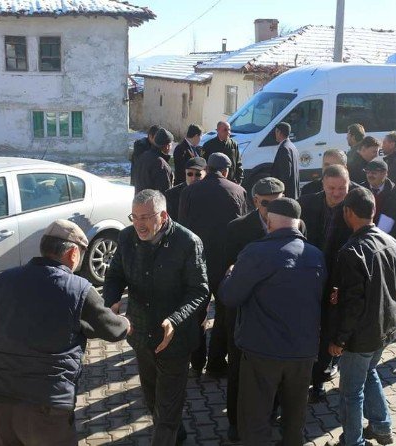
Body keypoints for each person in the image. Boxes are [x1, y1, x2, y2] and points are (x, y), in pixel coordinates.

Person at [0, 219, 130, 446]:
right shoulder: (79, 289)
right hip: (47, 407)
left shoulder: (2, 281)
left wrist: (7, 371)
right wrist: (126, 322)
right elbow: (113, 330)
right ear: (74, 253)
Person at [103, 190, 209, 445]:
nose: (139, 223)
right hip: (140, 333)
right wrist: (112, 300)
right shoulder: (127, 237)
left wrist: (175, 319)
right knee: (151, 398)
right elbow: (115, 273)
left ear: (163, 215)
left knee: (168, 406)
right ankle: (177, 434)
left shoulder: (188, 242)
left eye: (146, 217)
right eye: (134, 217)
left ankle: (168, 435)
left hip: (175, 338)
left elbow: (200, 290)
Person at [220, 198, 326, 446]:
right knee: (294, 419)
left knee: (255, 421)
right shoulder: (316, 255)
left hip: (262, 351)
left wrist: (229, 274)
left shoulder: (255, 252)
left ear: (268, 222)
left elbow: (229, 296)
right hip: (303, 352)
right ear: (298, 224)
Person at [327, 187, 396, 446]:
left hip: (361, 335)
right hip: (385, 328)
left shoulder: (351, 251)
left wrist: (339, 339)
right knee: (369, 373)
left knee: (351, 391)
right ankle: (382, 426)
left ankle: (352, 440)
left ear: (348, 212)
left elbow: (352, 305)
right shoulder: (390, 240)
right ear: (373, 211)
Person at [222, 177, 285, 441]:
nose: (271, 210)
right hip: (245, 313)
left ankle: (271, 412)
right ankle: (235, 421)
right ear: (255, 201)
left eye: (278, 203)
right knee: (238, 368)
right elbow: (226, 269)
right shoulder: (238, 229)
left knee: (276, 368)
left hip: (277, 313)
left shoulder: (294, 225)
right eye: (266, 204)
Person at [178, 153, 247, 378]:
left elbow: (182, 229)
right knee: (225, 314)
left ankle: (196, 362)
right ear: (226, 170)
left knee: (197, 312)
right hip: (226, 263)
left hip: (198, 262)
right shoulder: (237, 191)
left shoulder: (189, 191)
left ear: (207, 168)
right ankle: (217, 362)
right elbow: (241, 227)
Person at [299, 164, 358, 402]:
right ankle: (299, 376)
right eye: (331, 188)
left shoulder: (355, 206)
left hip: (337, 281)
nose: (336, 193)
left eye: (342, 188)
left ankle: (319, 381)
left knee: (329, 331)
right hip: (307, 279)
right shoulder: (306, 203)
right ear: (323, 185)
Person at [363, 159, 396, 290]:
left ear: (385, 174)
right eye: (368, 172)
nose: (370, 175)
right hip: (369, 231)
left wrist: (392, 238)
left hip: (392, 232)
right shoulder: (362, 189)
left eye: (374, 172)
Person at [135, 127, 174, 194]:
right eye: (171, 144)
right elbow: (164, 192)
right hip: (153, 202)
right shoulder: (161, 164)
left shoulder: (143, 156)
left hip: (140, 200)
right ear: (167, 146)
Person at [270, 121, 300, 199]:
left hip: (286, 195)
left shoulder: (284, 148)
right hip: (293, 193)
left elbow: (285, 174)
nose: (275, 134)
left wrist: (278, 192)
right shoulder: (292, 146)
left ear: (279, 132)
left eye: (276, 131)